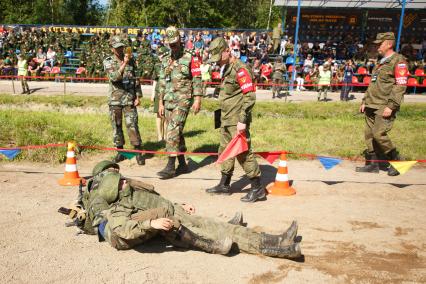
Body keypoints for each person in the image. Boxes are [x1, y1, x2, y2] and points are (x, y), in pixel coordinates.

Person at [62, 161, 301, 259]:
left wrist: (178, 206)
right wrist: (151, 225)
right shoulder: (112, 203)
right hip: (150, 226)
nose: (123, 178)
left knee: (209, 223)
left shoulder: (127, 189)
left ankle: (275, 240)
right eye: (118, 178)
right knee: (214, 229)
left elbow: (154, 200)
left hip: (167, 215)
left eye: (120, 175)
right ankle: (277, 246)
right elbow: (121, 229)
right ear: (107, 184)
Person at [205, 37, 266, 203]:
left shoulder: (240, 68)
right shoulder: (227, 68)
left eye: (219, 56)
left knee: (243, 152)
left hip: (236, 119)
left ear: (227, 50)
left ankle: (257, 188)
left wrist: (243, 119)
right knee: (224, 150)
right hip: (226, 118)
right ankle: (224, 185)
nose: (217, 61)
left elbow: (250, 96)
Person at [356, 32, 408, 176]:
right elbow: (373, 84)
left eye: (380, 43)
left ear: (389, 44)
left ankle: (397, 162)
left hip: (384, 104)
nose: (377, 46)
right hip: (371, 103)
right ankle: (373, 164)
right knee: (369, 135)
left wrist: (391, 106)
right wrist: (364, 101)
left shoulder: (399, 61)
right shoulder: (381, 61)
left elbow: (400, 86)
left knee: (378, 134)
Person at [156, 26, 203, 179]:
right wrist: (160, 103)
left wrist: (197, 99)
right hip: (168, 100)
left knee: (173, 129)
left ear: (180, 40)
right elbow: (162, 82)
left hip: (183, 100)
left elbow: (197, 78)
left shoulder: (190, 57)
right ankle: (183, 164)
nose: (173, 46)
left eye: (175, 43)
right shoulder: (165, 59)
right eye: (170, 44)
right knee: (177, 132)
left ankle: (170, 166)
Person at [103, 36, 145, 165]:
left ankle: (138, 152)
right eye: (117, 48)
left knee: (132, 125)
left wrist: (138, 96)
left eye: (121, 47)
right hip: (115, 99)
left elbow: (135, 79)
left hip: (129, 99)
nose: (120, 49)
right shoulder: (108, 61)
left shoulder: (131, 60)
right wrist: (124, 64)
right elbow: (114, 77)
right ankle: (120, 152)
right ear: (112, 49)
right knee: (117, 126)